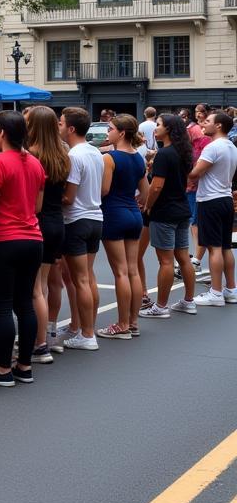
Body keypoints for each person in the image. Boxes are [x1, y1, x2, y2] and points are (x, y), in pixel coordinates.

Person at [0, 111, 45, 388]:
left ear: (2, 132)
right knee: (24, 304)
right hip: (33, 239)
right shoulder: (36, 164)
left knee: (2, 307)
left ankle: (3, 369)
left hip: (3, 240)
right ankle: (24, 366)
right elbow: (38, 206)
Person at [139, 114, 197, 319]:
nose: (155, 128)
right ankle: (189, 301)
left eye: (159, 125)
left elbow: (157, 186)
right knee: (183, 258)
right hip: (182, 209)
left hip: (165, 211)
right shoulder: (183, 152)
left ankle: (161, 306)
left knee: (165, 261)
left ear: (169, 129)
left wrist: (148, 205)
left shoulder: (164, 154)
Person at [96, 115, 149, 339]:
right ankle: (133, 322)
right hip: (133, 214)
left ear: (121, 133)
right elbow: (145, 191)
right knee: (133, 270)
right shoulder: (139, 158)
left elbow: (104, 190)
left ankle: (122, 324)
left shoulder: (110, 158)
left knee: (120, 273)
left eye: (110, 129)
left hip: (114, 214)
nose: (108, 132)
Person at [25, 105, 70, 360]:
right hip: (56, 223)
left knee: (36, 289)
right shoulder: (63, 154)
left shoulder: (33, 156)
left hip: (39, 222)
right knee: (43, 286)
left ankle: (39, 343)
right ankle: (44, 337)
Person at [58, 107, 104, 350]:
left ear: (72, 129)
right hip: (95, 217)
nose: (59, 126)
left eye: (62, 123)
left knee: (80, 281)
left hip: (77, 220)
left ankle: (87, 334)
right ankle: (86, 327)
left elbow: (69, 197)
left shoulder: (74, 156)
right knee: (88, 278)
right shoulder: (95, 152)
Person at [189, 111, 237, 306]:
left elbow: (194, 174)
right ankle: (230, 289)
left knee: (214, 248)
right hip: (224, 198)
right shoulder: (231, 147)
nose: (203, 124)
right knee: (225, 247)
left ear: (218, 126)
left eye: (208, 121)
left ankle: (216, 292)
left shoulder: (212, 147)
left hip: (211, 200)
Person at [187, 106, 212, 278]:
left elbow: (197, 170)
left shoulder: (206, 142)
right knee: (195, 222)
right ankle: (197, 258)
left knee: (198, 222)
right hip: (193, 186)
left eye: (201, 112)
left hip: (199, 187)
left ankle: (196, 259)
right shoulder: (198, 142)